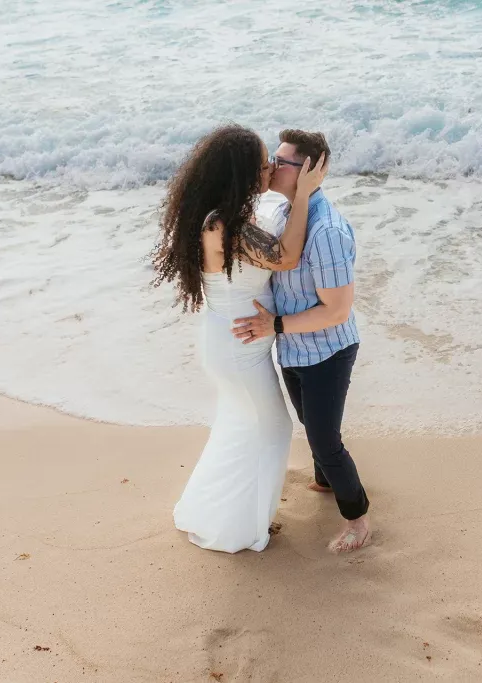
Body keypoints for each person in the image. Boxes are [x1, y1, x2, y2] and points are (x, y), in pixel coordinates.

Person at [151, 124, 326, 553]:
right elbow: (284, 257)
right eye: (262, 161)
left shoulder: (223, 215)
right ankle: (239, 526)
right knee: (272, 426)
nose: (269, 167)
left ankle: (217, 511)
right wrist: (302, 195)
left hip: (233, 340)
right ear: (239, 172)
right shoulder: (223, 224)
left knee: (241, 424)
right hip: (237, 345)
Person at [232, 129, 371, 553]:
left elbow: (337, 311)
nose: (272, 167)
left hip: (328, 350)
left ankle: (359, 519)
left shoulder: (327, 231)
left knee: (325, 440)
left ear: (309, 171)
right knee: (314, 426)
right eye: (273, 159)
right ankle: (326, 480)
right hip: (292, 348)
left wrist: (273, 326)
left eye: (283, 161)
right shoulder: (282, 214)